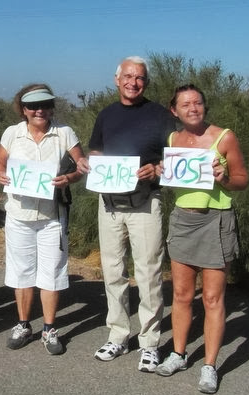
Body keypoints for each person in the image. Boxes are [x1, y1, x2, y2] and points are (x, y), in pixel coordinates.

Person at [76, 56, 176, 371]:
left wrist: (158, 168)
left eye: (140, 78)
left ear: (146, 83)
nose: (134, 83)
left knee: (148, 274)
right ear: (117, 79)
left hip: (146, 203)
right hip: (109, 205)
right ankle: (118, 336)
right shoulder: (106, 115)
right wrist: (88, 164)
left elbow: (174, 158)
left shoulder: (160, 115)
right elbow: (96, 151)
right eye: (128, 77)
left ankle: (149, 344)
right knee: (113, 272)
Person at [155, 84, 248, 393]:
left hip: (216, 221)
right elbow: (172, 176)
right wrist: (160, 169)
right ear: (175, 110)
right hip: (182, 219)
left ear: (204, 106)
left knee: (211, 298)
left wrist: (225, 178)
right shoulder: (173, 139)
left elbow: (242, 180)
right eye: (185, 104)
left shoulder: (224, 137)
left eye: (197, 102)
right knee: (181, 295)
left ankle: (209, 366)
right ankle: (178, 354)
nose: (192, 107)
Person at [0, 84, 86, 355]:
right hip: (19, 214)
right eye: (33, 106)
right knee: (21, 271)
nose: (39, 110)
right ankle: (23, 324)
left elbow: (81, 165)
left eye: (45, 105)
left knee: (52, 271)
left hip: (52, 216)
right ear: (23, 110)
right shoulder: (12, 133)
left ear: (51, 107)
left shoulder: (64, 133)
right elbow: (0, 163)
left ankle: (49, 328)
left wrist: (69, 178)